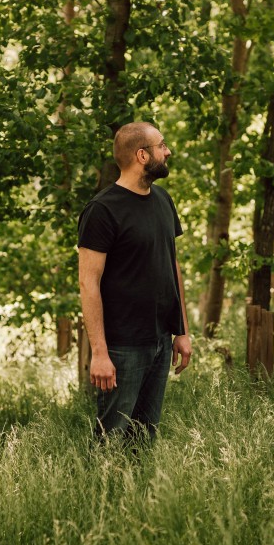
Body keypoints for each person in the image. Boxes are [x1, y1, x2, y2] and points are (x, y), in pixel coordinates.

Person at [77, 121, 193, 443]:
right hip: (122, 347)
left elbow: (172, 266)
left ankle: (137, 493)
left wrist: (181, 330)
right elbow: (89, 283)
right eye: (162, 145)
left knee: (144, 438)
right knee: (109, 440)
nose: (167, 151)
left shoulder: (163, 200)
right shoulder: (102, 210)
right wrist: (99, 352)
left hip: (159, 341)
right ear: (142, 155)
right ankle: (98, 493)